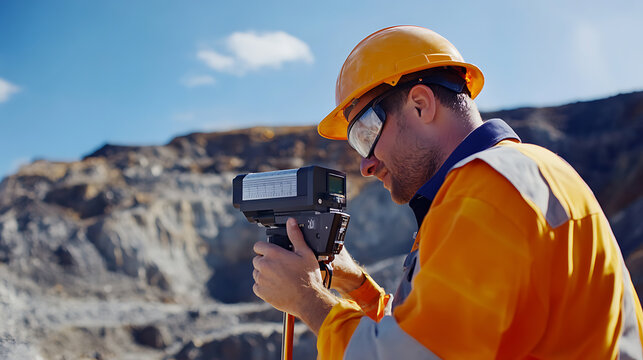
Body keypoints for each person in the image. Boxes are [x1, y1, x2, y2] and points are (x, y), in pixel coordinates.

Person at [251, 25, 643, 359]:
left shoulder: (487, 192)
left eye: (365, 134)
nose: (366, 164)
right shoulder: (517, 173)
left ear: (421, 104)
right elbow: (436, 335)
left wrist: (307, 299)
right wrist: (356, 286)